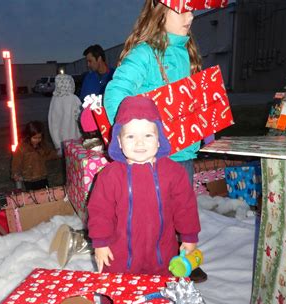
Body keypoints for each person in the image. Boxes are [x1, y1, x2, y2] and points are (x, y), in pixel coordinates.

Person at [103, 0, 207, 280]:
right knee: (149, 217)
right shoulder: (146, 54)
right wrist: (128, 136)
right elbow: (116, 95)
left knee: (180, 211)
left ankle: (181, 260)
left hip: (183, 153)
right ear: (160, 11)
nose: (190, 16)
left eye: (192, 10)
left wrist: (203, 124)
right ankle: (144, 265)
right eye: (182, 9)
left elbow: (189, 101)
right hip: (154, 158)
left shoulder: (185, 52)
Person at [87, 96, 201, 275]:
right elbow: (100, 211)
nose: (139, 143)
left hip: (162, 253)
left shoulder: (174, 172)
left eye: (148, 135)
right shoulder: (109, 176)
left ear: (159, 139)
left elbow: (185, 207)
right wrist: (100, 243)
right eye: (130, 136)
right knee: (121, 293)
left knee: (162, 290)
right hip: (121, 255)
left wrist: (189, 236)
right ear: (119, 141)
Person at [11, 121, 57, 190]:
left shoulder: (42, 146)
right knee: (32, 196)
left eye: (39, 138)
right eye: (35, 138)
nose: (37, 140)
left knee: (45, 194)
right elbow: (16, 162)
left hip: (42, 176)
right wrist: (15, 173)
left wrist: (58, 153)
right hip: (29, 178)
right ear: (28, 136)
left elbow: (48, 155)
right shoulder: (21, 148)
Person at [47, 74, 82, 155]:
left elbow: (51, 119)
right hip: (74, 136)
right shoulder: (74, 99)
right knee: (74, 158)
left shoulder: (54, 99)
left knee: (65, 159)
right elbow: (80, 117)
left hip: (59, 138)